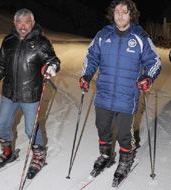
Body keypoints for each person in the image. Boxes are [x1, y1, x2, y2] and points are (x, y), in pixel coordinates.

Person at [79, 0, 161, 186]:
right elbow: (91, 57)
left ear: (131, 14)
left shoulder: (140, 36)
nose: (121, 14)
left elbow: (155, 62)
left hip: (127, 95)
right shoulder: (103, 35)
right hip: (104, 93)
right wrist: (86, 75)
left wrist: (147, 77)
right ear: (112, 14)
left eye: (125, 11)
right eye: (117, 11)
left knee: (125, 132)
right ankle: (106, 154)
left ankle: (126, 160)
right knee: (102, 126)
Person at [0, 8, 60, 178]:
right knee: (2, 125)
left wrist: (50, 68)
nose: (23, 25)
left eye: (26, 22)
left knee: (30, 129)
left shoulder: (41, 42)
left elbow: (53, 61)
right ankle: (7, 151)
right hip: (9, 93)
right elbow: (1, 65)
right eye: (19, 22)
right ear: (15, 24)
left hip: (31, 95)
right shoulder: (8, 41)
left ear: (32, 23)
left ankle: (39, 156)